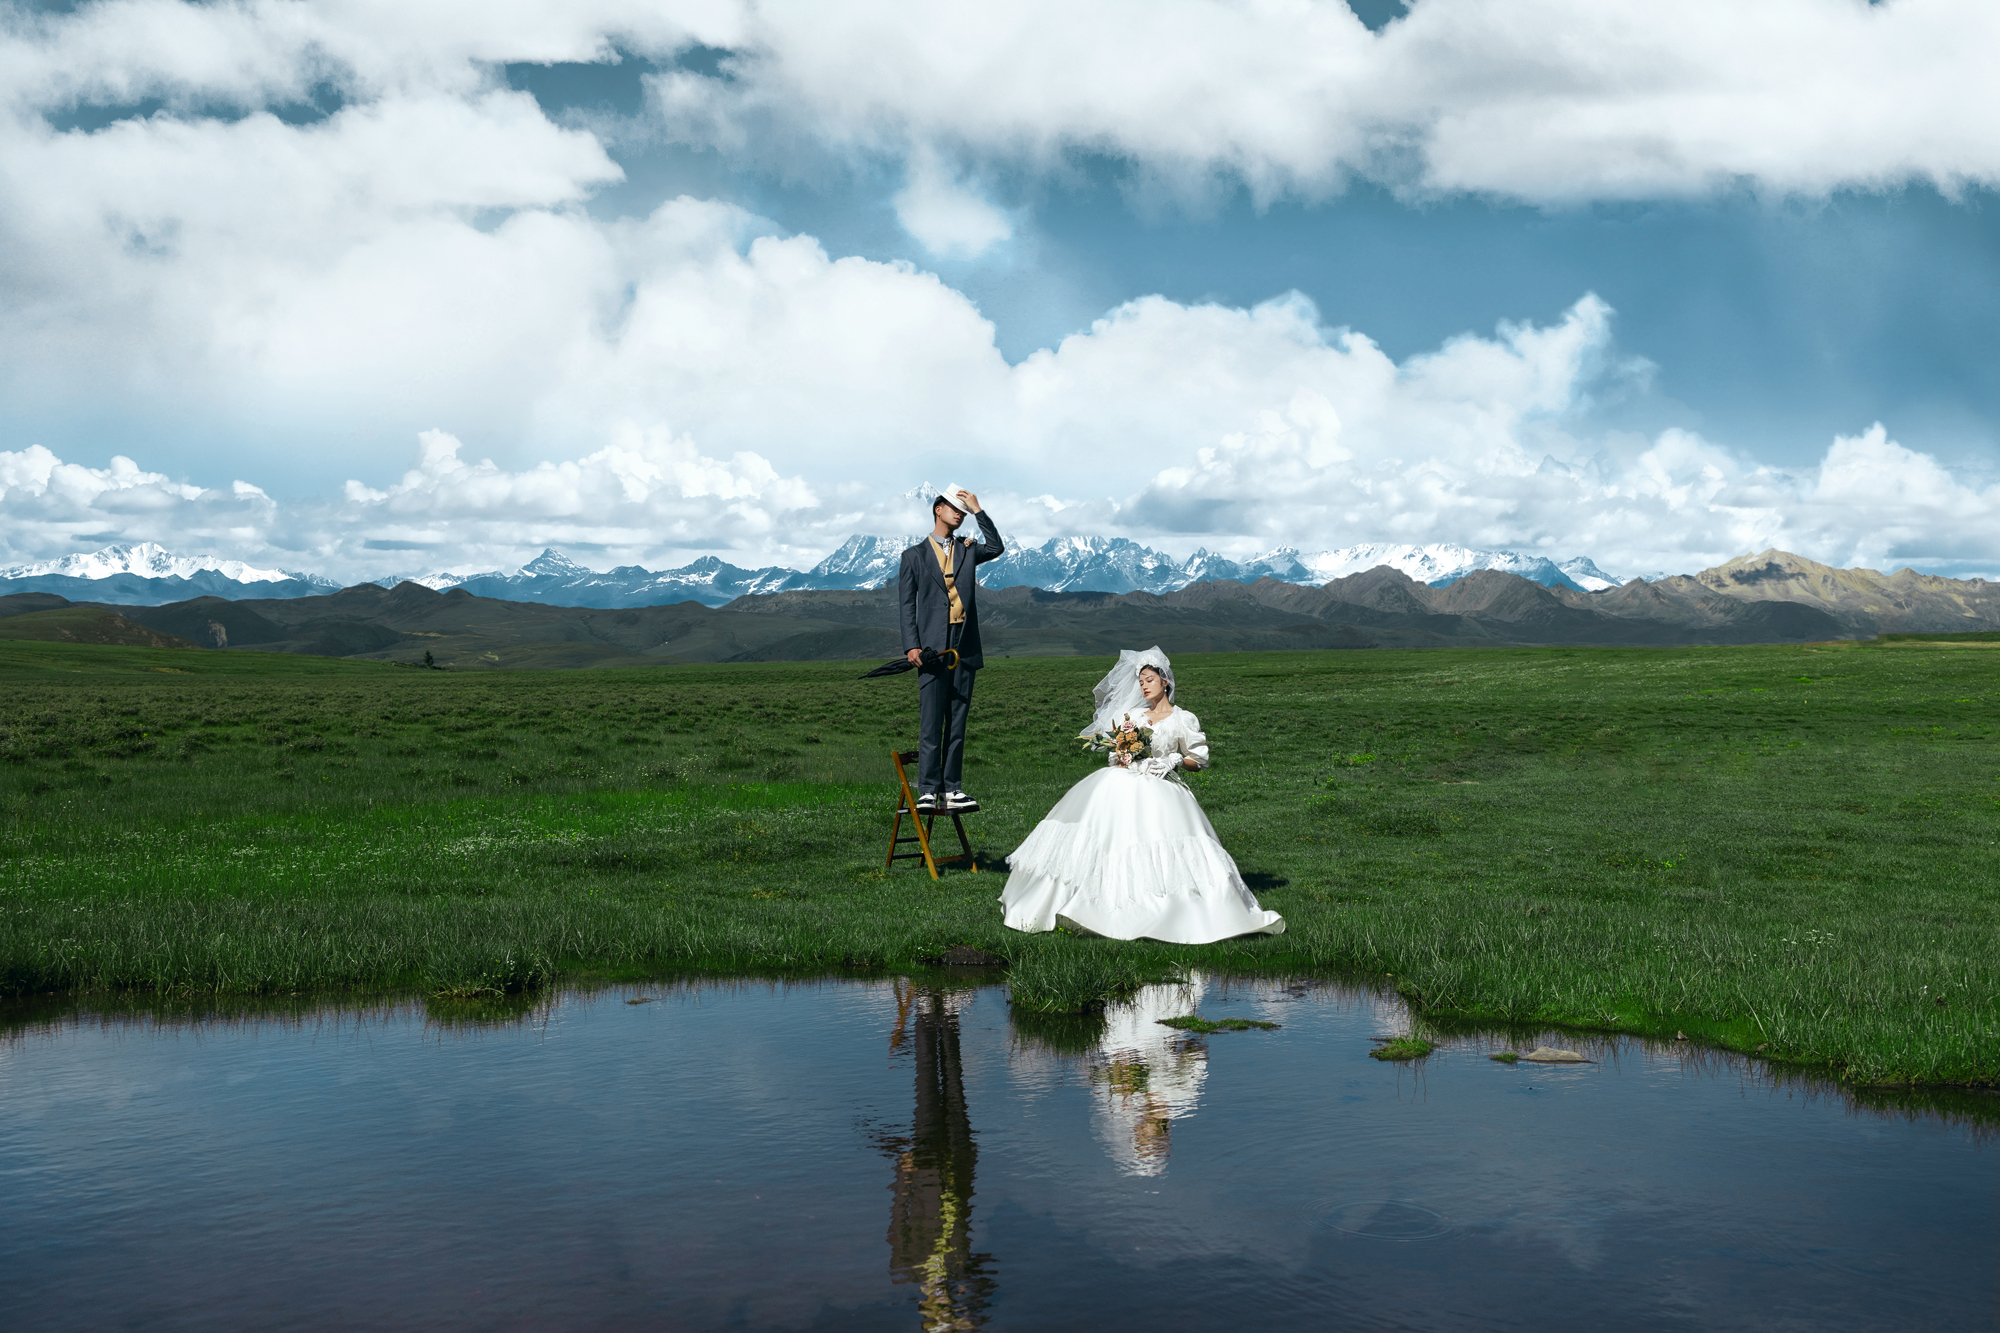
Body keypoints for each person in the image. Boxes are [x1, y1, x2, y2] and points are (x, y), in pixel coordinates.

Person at [999, 647, 1284, 943]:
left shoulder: (1182, 719)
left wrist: (1174, 760)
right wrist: (1123, 756)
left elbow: (1198, 760)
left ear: (1165, 682)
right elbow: (1119, 752)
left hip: (1162, 789)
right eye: (1140, 681)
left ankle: (1167, 909)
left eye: (1149, 679)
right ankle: (1086, 901)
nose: (1143, 685)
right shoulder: (1133, 716)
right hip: (1123, 783)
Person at [897, 487, 1004, 813]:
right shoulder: (913, 556)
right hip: (931, 651)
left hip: (965, 648)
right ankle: (928, 790)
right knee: (931, 724)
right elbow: (906, 606)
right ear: (938, 509)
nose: (959, 514)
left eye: (963, 510)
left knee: (958, 725)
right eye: (954, 508)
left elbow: (997, 547)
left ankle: (952, 789)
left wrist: (978, 510)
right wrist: (911, 645)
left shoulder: (968, 550)